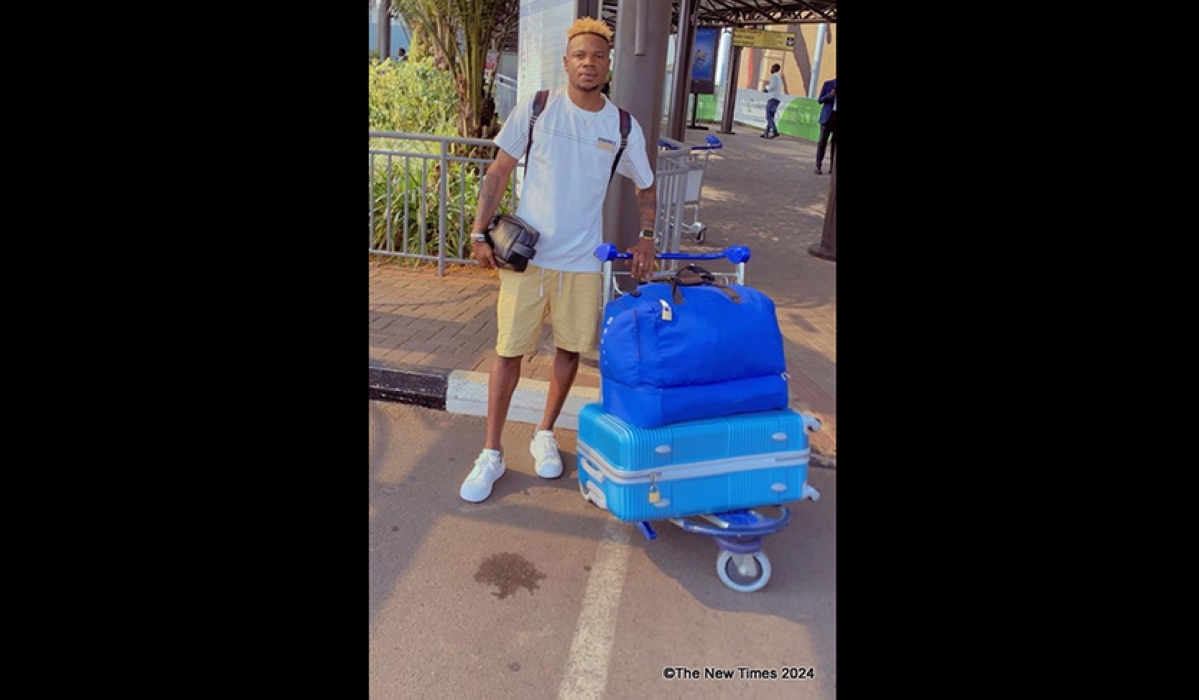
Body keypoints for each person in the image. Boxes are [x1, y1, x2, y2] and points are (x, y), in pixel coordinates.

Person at [460, 17, 658, 503]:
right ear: (566, 61)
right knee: (509, 352)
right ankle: (491, 452)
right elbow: (500, 170)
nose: (588, 63)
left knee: (569, 352)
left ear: (608, 65)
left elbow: (645, 184)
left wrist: (647, 236)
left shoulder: (622, 125)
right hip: (528, 260)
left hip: (583, 262)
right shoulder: (537, 107)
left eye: (597, 56)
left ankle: (544, 432)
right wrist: (478, 231)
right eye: (580, 55)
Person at [815, 77, 836, 174]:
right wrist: (830, 95)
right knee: (822, 142)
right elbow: (820, 100)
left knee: (835, 145)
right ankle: (818, 166)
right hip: (828, 117)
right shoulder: (828, 84)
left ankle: (833, 168)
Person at [761, 63, 783, 139]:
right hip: (777, 98)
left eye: (772, 68)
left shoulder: (774, 77)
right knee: (771, 117)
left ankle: (774, 131)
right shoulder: (779, 78)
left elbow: (772, 86)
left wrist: (766, 88)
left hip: (772, 98)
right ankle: (766, 132)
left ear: (774, 68)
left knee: (768, 116)